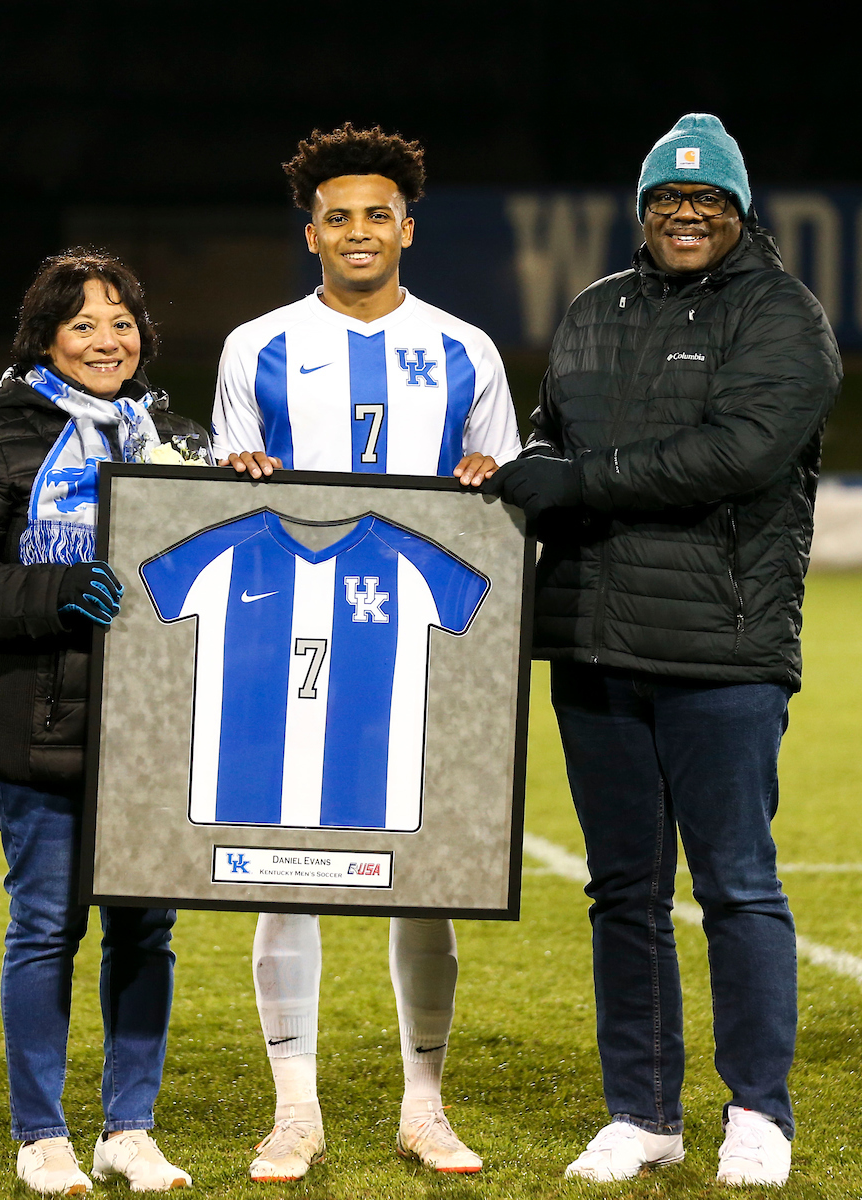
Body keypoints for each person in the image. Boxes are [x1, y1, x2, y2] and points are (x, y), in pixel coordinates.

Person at [485, 113, 842, 1187]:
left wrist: (579, 482)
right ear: (643, 210)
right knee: (624, 893)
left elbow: (738, 454)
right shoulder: (593, 310)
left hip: (720, 651)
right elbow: (553, 434)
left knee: (737, 886)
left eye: (708, 199)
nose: (687, 214)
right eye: (668, 199)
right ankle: (642, 1114)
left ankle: (759, 1114)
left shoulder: (783, 315)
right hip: (593, 643)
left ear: (739, 212)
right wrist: (529, 465)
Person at [211, 123, 522, 1181]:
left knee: (424, 877)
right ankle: (294, 1111)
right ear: (311, 234)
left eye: (376, 214)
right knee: (284, 873)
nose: (357, 230)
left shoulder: (466, 349)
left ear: (407, 229)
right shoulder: (255, 345)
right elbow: (221, 495)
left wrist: (489, 478)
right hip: (292, 644)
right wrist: (237, 475)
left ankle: (423, 1108)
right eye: (336, 216)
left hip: (418, 648)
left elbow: (504, 498)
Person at [0, 250, 211, 1195]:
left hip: (156, 729)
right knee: (45, 928)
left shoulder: (173, 435)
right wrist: (56, 590)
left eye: (121, 322)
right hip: (39, 727)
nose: (106, 340)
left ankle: (130, 1129)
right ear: (45, 340)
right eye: (83, 324)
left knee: (145, 931)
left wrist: (243, 479)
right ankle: (41, 1135)